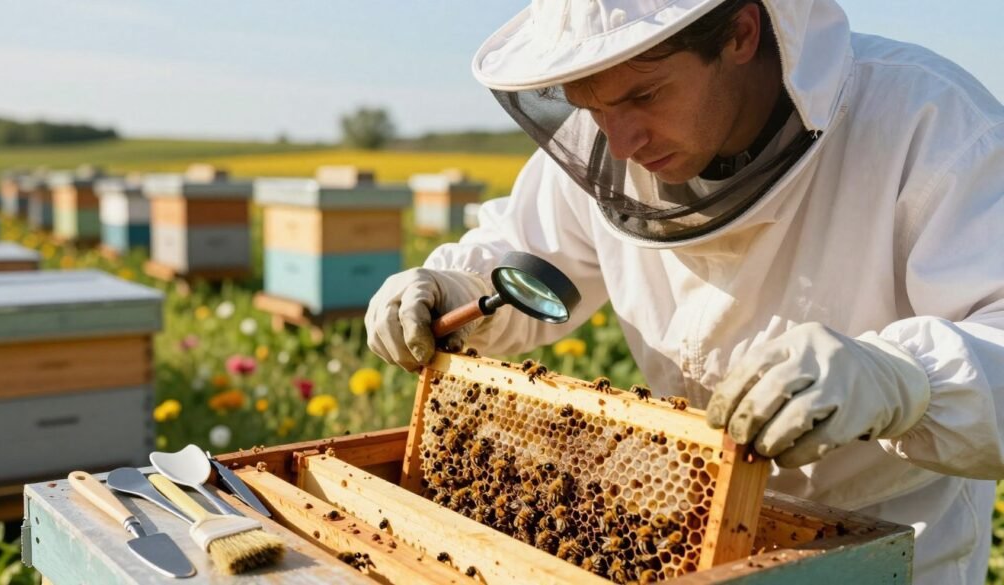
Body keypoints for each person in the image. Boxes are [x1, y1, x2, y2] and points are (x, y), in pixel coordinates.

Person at [365, 0, 1004, 582]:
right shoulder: (610, 141)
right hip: (679, 527)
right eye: (593, 109)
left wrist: (902, 378)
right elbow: (526, 254)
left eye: (646, 94)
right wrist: (457, 284)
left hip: (887, 536)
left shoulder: (930, 121)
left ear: (742, 34)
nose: (621, 141)